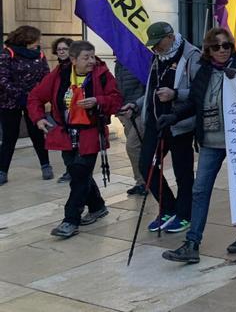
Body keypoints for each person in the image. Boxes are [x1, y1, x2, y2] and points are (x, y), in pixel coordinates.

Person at [160, 28, 236, 263]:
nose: (222, 50)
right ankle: (192, 243)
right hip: (210, 141)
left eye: (226, 46)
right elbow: (195, 102)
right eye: (216, 46)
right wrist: (174, 117)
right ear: (208, 50)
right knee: (199, 190)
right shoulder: (204, 72)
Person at [28, 40, 122, 238]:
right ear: (73, 60)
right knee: (79, 174)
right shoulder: (59, 75)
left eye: (92, 56)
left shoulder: (102, 74)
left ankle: (70, 220)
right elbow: (35, 97)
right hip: (65, 135)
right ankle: (97, 206)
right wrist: (38, 119)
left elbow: (116, 100)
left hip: (90, 134)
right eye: (85, 58)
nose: (91, 61)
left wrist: (99, 101)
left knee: (78, 176)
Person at [118, 22, 199, 235]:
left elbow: (199, 91)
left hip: (179, 123)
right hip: (155, 122)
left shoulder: (192, 56)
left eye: (158, 43)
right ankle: (167, 208)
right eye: (152, 45)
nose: (155, 48)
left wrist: (175, 94)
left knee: (183, 173)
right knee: (146, 165)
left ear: (171, 37)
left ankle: (184, 214)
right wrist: (136, 105)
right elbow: (153, 89)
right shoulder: (157, 58)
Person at [0, 25, 52, 185]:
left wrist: (38, 95)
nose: (38, 42)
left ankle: (45, 166)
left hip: (34, 102)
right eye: (36, 39)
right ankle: (2, 171)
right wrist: (21, 95)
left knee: (37, 134)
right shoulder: (7, 53)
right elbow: (2, 80)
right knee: (10, 137)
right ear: (26, 39)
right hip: (10, 102)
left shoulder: (40, 54)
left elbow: (46, 75)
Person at [114, 61, 147, 196]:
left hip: (139, 111)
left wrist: (138, 106)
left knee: (132, 146)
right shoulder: (119, 64)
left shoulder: (138, 61)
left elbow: (148, 87)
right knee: (137, 149)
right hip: (125, 112)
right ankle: (140, 181)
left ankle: (145, 181)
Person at [51, 37, 75, 184]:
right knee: (65, 144)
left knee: (75, 143)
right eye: (59, 49)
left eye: (64, 49)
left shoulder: (75, 67)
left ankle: (74, 170)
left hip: (75, 111)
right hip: (61, 112)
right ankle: (69, 170)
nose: (61, 52)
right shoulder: (58, 69)